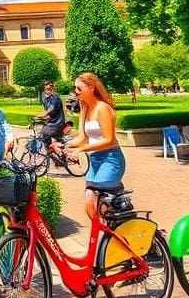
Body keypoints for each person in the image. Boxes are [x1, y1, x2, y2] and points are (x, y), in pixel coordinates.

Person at [61, 73, 125, 220]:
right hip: (93, 160)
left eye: (78, 88)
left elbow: (109, 140)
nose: (75, 91)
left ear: (90, 87)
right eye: (74, 88)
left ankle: (114, 236)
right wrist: (63, 145)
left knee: (103, 207)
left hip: (110, 158)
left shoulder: (102, 108)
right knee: (90, 206)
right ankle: (101, 238)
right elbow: (82, 138)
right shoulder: (85, 107)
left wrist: (81, 150)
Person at [38, 81, 66, 152]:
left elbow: (51, 109)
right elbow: (49, 114)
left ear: (53, 89)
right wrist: (38, 118)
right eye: (46, 89)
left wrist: (41, 115)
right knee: (44, 136)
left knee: (44, 135)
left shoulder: (55, 97)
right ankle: (55, 154)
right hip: (52, 123)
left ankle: (53, 151)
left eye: (50, 89)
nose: (48, 91)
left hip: (57, 123)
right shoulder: (47, 100)